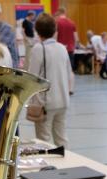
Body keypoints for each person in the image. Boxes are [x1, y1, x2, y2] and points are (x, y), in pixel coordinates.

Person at [27, 13, 73, 147]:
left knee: (43, 141)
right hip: (63, 101)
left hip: (46, 103)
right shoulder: (62, 48)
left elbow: (32, 77)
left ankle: (46, 168)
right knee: (62, 140)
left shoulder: (38, 48)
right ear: (54, 29)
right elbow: (69, 73)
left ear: (37, 30)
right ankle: (69, 164)